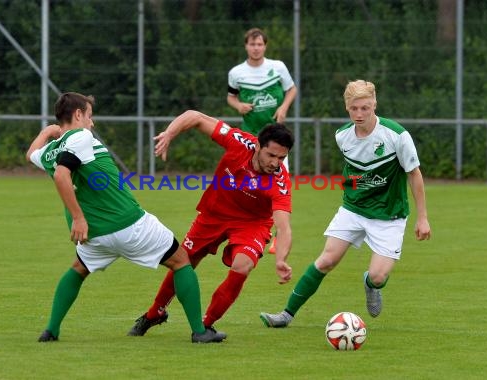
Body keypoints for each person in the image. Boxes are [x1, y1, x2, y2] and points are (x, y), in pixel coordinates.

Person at [26, 92, 225, 344]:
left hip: (95, 235)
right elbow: (61, 175)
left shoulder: (52, 150)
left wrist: (47, 133)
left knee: (78, 269)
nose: (92, 123)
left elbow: (32, 154)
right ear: (78, 115)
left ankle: (51, 331)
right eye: (89, 116)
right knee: (181, 262)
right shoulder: (81, 136)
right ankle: (199, 331)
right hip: (128, 223)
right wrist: (78, 218)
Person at [260, 80, 432, 327]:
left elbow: (414, 174)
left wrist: (422, 217)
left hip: (389, 215)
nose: (359, 114)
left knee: (378, 275)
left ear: (375, 104)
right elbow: (355, 170)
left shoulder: (396, 135)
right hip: (354, 209)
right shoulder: (342, 136)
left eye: (365, 108)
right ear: (347, 107)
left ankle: (371, 285)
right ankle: (286, 315)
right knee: (326, 260)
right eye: (354, 108)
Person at [128, 110, 294, 338]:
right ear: (257, 145)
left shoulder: (280, 181)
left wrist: (281, 259)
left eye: (282, 158)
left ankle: (205, 326)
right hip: (214, 213)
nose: (276, 163)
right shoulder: (240, 142)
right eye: (271, 155)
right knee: (183, 261)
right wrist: (169, 133)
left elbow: (284, 226)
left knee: (242, 266)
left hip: (252, 224)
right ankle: (154, 312)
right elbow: (195, 117)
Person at [227, 28, 297, 254]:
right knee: (243, 183)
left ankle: (279, 235)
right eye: (252, 44)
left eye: (259, 44)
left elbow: (292, 89)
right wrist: (238, 106)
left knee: (281, 187)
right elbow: (231, 96)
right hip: (250, 137)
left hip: (276, 139)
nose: (256, 48)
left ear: (265, 46)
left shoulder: (277, 67)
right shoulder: (237, 72)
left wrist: (284, 107)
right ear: (246, 46)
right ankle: (241, 226)